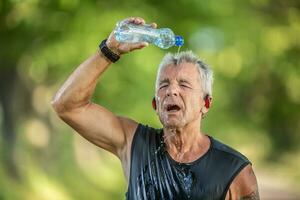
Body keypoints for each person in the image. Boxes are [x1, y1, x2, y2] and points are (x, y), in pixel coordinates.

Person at [52, 17, 259, 200]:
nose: (171, 91)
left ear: (205, 104)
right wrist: (109, 49)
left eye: (184, 84)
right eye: (164, 85)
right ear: (155, 105)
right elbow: (66, 105)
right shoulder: (133, 142)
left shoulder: (234, 170)